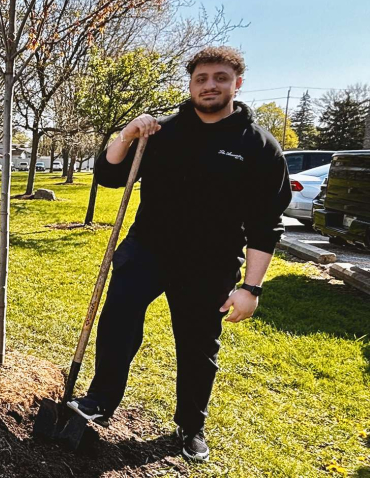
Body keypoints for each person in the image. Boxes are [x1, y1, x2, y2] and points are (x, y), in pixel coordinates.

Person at [67, 47, 291, 462]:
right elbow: (110, 176)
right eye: (201, 78)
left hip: (210, 264)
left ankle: (191, 425)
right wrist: (127, 135)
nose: (210, 85)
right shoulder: (162, 132)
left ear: (236, 83)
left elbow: (267, 224)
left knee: (197, 346)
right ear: (190, 84)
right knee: (117, 324)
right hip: (145, 253)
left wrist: (251, 288)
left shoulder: (259, 146)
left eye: (220, 78)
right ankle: (100, 400)